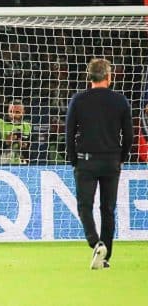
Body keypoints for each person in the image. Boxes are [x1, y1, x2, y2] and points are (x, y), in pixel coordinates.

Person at [66, 59, 133, 269]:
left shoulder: (78, 100)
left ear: (90, 77)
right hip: (111, 161)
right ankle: (105, 257)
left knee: (84, 207)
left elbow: (69, 133)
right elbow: (129, 135)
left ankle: (96, 243)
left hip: (86, 160)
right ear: (108, 76)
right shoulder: (120, 101)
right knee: (108, 209)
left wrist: (73, 160)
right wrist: (121, 157)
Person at [0, 100, 32, 165]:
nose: (13, 115)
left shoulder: (28, 126)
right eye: (11, 112)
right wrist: (6, 143)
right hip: (2, 162)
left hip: (21, 162)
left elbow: (32, 153)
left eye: (17, 112)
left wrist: (24, 147)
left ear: (23, 112)